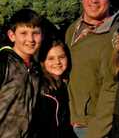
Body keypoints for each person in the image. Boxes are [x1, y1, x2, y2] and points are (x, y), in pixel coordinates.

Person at [65, 0, 119, 138]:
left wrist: (96, 132)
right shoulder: (73, 29)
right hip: (68, 120)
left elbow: (112, 88)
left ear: (110, 1)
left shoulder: (115, 36)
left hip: (90, 127)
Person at [0, 8, 43, 138]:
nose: (30, 39)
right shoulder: (4, 62)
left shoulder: (36, 69)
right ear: (12, 36)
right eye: (23, 33)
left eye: (35, 33)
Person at [32, 37, 76, 138]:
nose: (57, 62)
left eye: (61, 57)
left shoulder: (63, 84)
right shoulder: (42, 91)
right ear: (42, 62)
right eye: (51, 58)